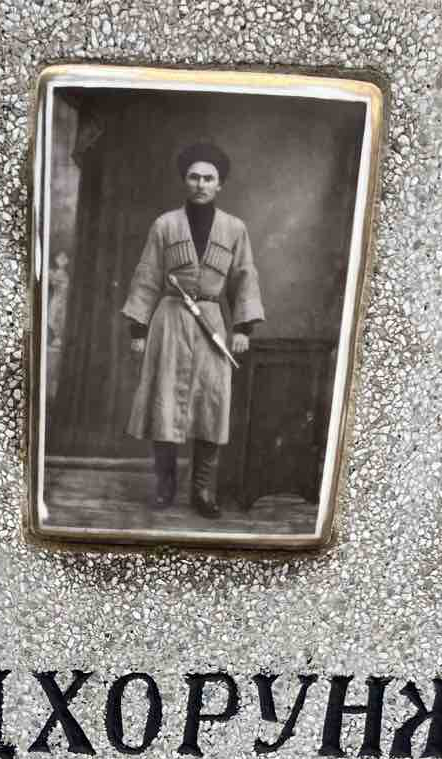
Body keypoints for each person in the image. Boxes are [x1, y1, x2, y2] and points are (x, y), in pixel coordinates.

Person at [121, 141, 264, 518]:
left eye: (208, 178)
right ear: (185, 181)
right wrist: (138, 330)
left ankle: (202, 490)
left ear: (220, 184)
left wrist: (243, 328)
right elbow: (147, 275)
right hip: (169, 321)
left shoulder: (234, 229)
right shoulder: (165, 225)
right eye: (194, 177)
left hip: (212, 323)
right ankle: (165, 486)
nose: (201, 184)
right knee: (164, 403)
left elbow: (244, 277)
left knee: (211, 405)